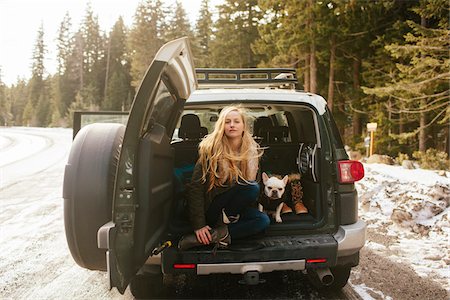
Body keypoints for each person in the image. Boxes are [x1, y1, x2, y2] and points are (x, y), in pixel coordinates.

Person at [179, 105, 270, 250]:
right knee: (251, 187)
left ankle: (212, 237)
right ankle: (221, 223)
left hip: (236, 209)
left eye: (236, 121)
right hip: (213, 207)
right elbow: (195, 187)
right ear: (222, 125)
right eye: (227, 122)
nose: (232, 125)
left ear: (244, 126)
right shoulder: (211, 150)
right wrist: (199, 225)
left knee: (263, 220)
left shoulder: (252, 151)